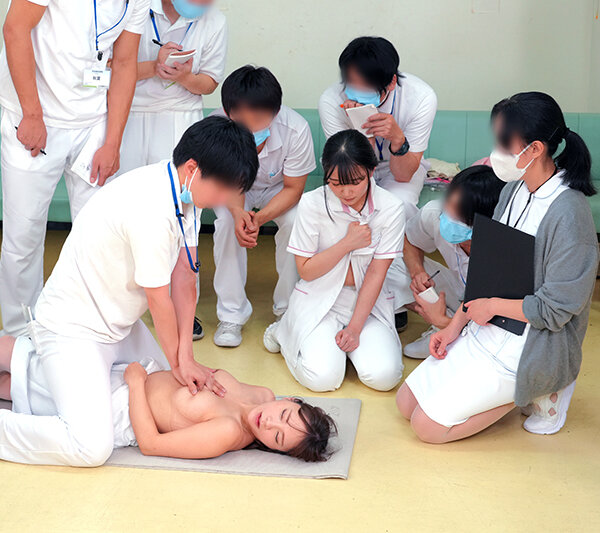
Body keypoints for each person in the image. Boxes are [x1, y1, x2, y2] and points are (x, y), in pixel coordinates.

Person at [0, 116, 258, 467]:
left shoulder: (185, 196)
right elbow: (158, 298)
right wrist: (180, 363)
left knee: (157, 393)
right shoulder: (151, 208)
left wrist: (186, 355)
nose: (225, 199)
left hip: (116, 322)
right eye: (224, 189)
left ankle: (6, 370)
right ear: (193, 167)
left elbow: (185, 279)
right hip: (74, 326)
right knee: (92, 445)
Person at [397, 92, 598, 442]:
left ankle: (540, 387)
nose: (496, 151)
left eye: (504, 142)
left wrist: (490, 307)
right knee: (405, 404)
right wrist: (454, 327)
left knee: (426, 428)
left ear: (535, 149)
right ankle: (510, 386)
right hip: (486, 327)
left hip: (531, 340)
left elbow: (557, 308)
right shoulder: (513, 191)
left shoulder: (569, 215)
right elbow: (488, 272)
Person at [0, 335, 337, 463]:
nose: (268, 423)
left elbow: (151, 444)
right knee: (7, 377)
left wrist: (137, 384)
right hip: (132, 376)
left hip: (119, 407)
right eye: (283, 415)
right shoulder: (261, 394)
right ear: (291, 401)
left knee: (6, 352)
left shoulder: (225, 434)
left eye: (277, 438)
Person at [0, 0, 150, 337]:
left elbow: (125, 62)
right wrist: (32, 114)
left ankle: (88, 327)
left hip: (92, 121)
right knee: (24, 235)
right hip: (35, 115)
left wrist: (112, 142)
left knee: (99, 232)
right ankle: (20, 333)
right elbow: (15, 29)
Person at [264, 130, 405, 392]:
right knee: (323, 379)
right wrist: (347, 244)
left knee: (385, 377)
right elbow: (306, 271)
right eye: (336, 183)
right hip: (319, 299)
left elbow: (376, 273)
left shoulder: (391, 208)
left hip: (367, 303)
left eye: (356, 181)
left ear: (372, 171)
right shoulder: (312, 204)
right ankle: (283, 331)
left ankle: (343, 349)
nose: (346, 192)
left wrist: (355, 329)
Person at [211, 66, 316, 347]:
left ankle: (287, 310)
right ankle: (231, 315)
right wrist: (238, 214)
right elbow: (224, 182)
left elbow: (294, 188)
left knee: (295, 220)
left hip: (278, 189)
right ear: (227, 111)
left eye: (257, 118)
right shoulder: (216, 127)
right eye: (240, 118)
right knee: (226, 223)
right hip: (234, 189)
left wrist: (259, 218)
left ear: (275, 111)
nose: (250, 126)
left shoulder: (295, 129)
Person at [390, 165, 504, 358]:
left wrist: (442, 321)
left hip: (489, 313)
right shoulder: (435, 213)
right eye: (448, 202)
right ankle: (448, 329)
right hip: (460, 291)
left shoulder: (501, 248)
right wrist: (417, 272)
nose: (446, 214)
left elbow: (497, 323)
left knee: (489, 340)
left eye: (457, 212)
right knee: (391, 263)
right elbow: (409, 241)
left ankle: (449, 331)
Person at [318, 36, 437, 212]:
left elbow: (403, 176)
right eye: (351, 81)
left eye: (367, 84)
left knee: (400, 205)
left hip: (400, 166)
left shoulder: (421, 98)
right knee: (341, 209)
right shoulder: (331, 100)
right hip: (350, 166)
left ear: (392, 82)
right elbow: (350, 170)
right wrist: (363, 130)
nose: (357, 89)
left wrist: (397, 139)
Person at [118, 0, 227, 174]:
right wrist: (154, 67)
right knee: (123, 184)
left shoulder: (215, 20)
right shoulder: (134, 7)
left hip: (181, 113)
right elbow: (112, 68)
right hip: (129, 111)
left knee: (174, 185)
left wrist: (185, 77)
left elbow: (210, 83)